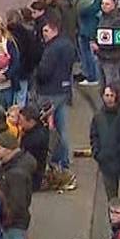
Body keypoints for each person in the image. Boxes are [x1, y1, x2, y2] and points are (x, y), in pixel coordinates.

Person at [35, 17, 76, 174]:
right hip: (64, 90)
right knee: (62, 127)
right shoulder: (67, 44)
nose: (43, 34)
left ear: (54, 30)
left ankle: (53, 159)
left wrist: (38, 76)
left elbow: (44, 71)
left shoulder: (52, 49)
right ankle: (65, 159)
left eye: (46, 31)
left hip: (49, 92)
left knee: (49, 128)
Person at [90, 84, 120, 201]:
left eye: (111, 95)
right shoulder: (98, 116)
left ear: (116, 97)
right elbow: (94, 136)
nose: (109, 98)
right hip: (106, 163)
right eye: (106, 95)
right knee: (111, 198)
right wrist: (97, 153)